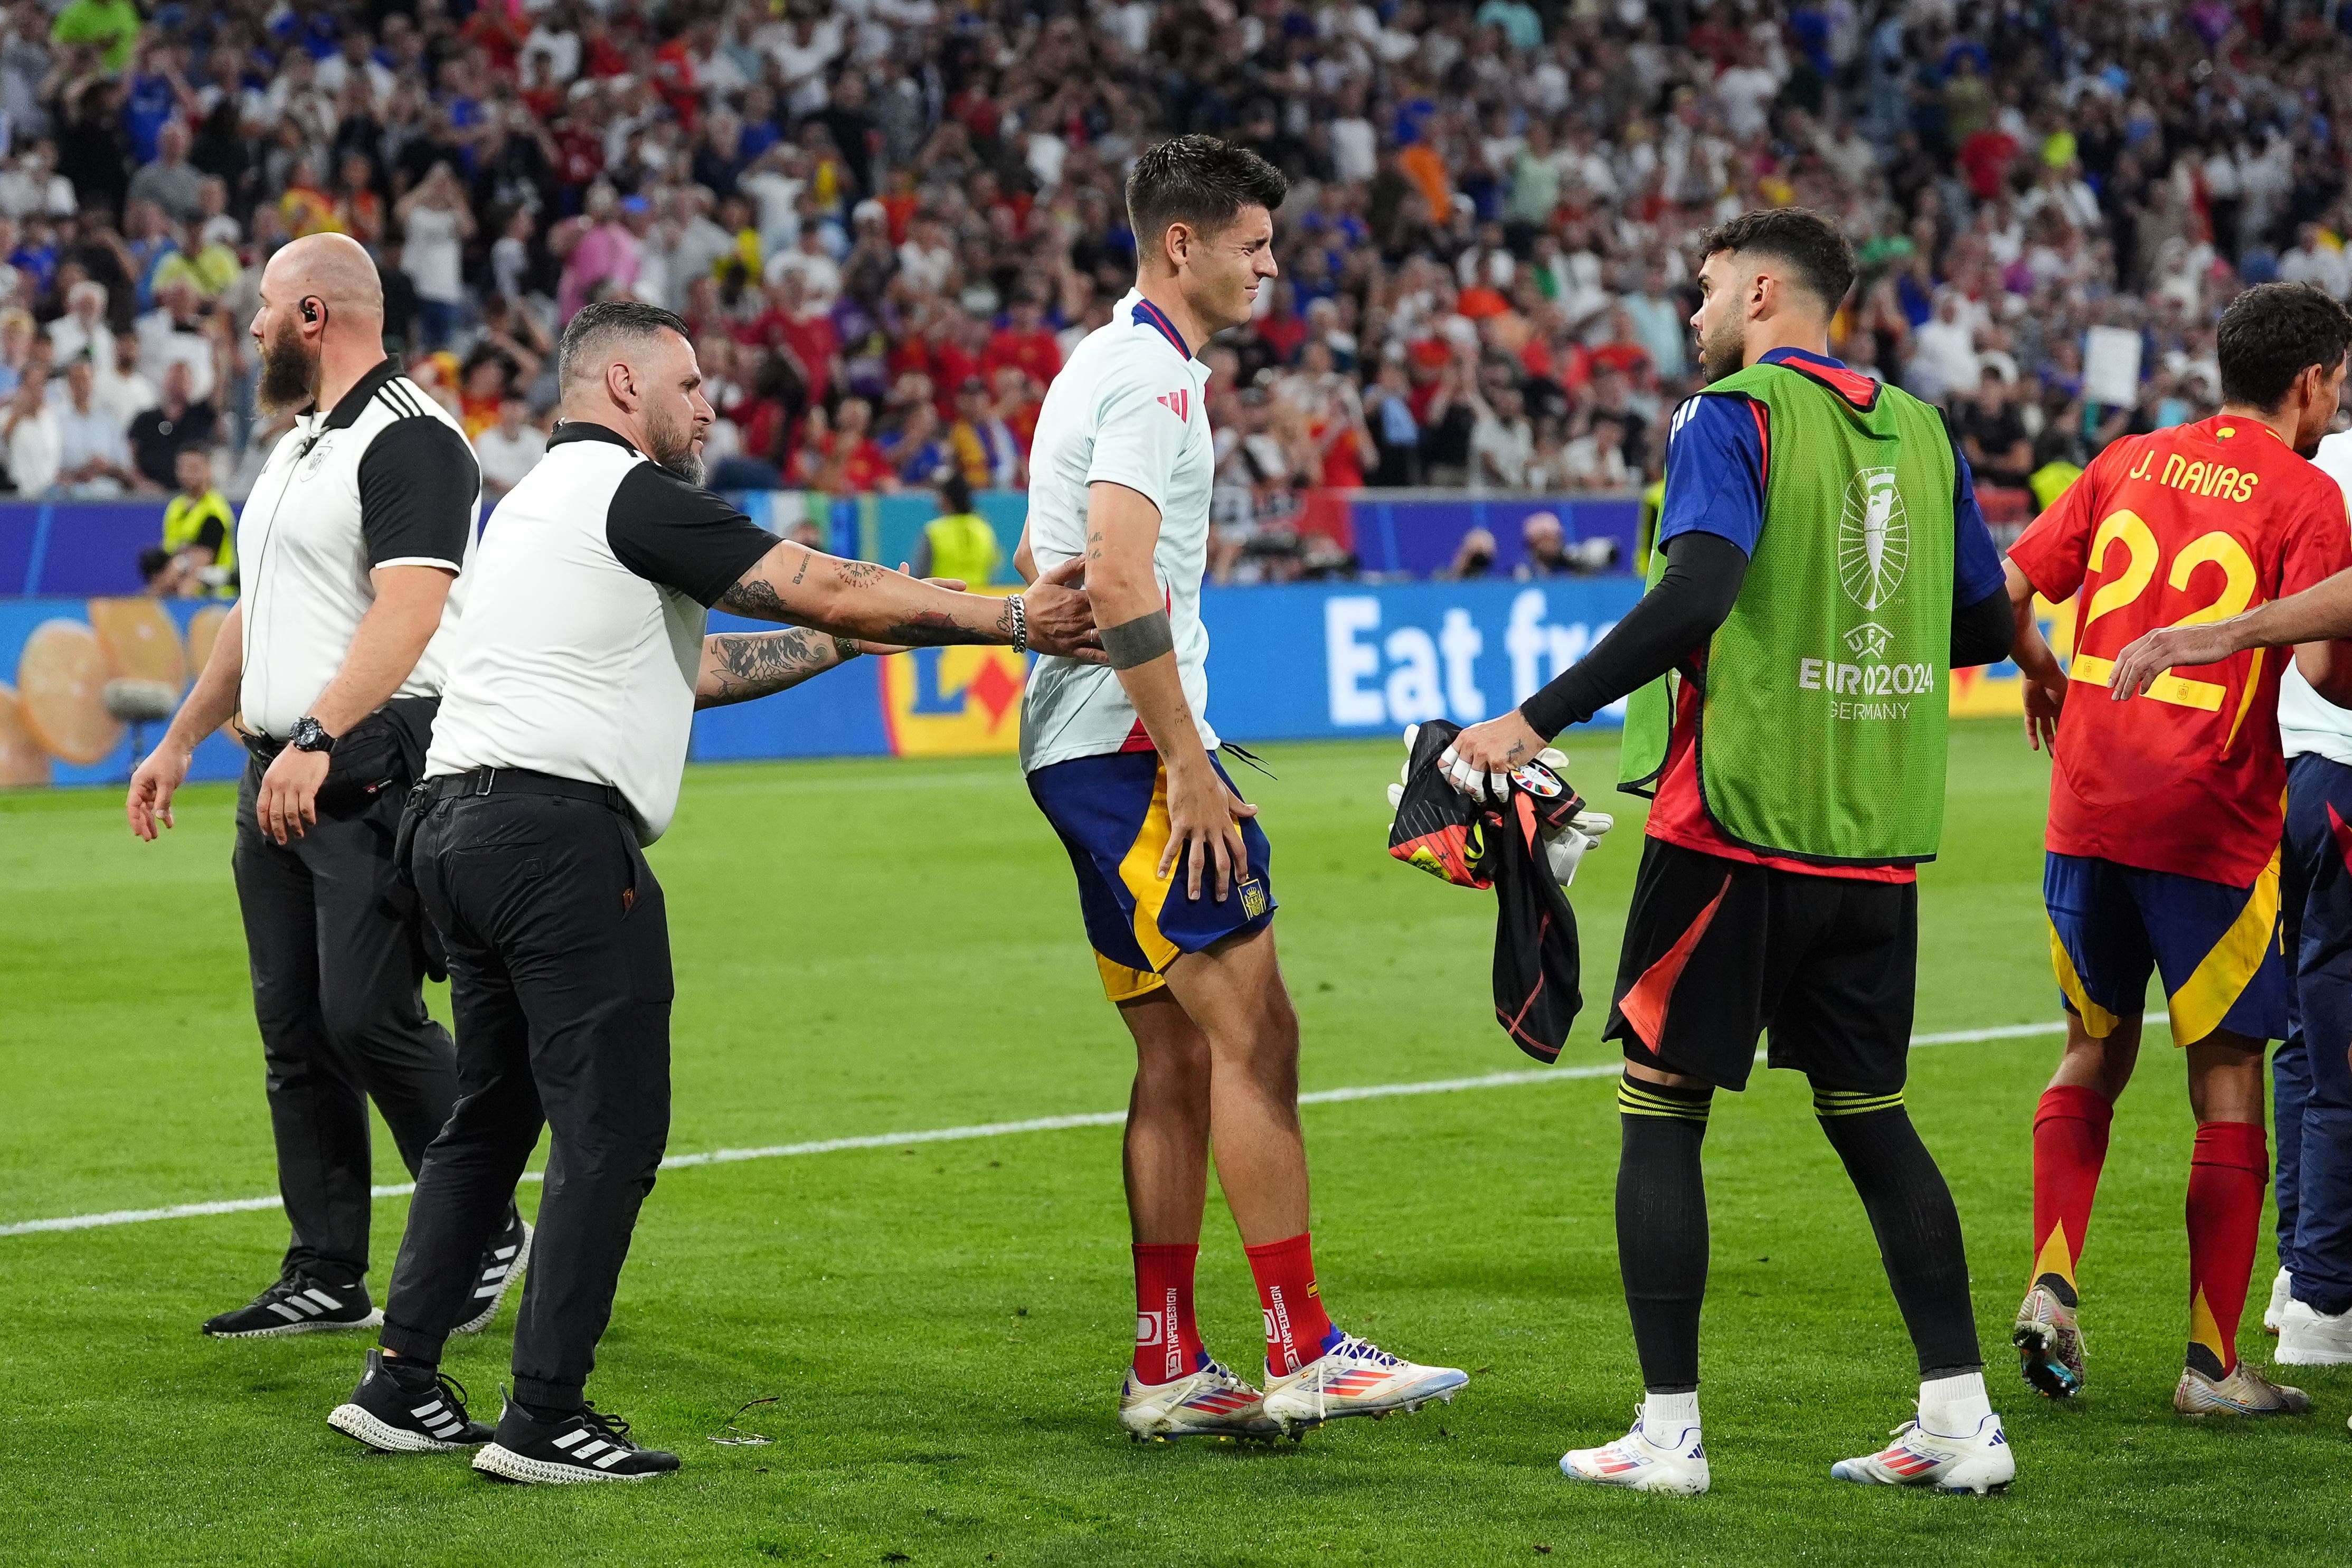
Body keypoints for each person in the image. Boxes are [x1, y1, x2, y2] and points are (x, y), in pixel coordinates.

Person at [320, 299, 1105, 1484]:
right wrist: (1008, 619)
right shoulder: (632, 495)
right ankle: (543, 1415)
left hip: (457, 833)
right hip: (551, 846)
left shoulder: (532, 508)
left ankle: (401, 1381)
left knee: (489, 1121)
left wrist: (856, 640)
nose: (710, 406)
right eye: (690, 385)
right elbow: (809, 584)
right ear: (623, 386)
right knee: (612, 1129)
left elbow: (702, 667)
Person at [1444, 208, 2019, 1494]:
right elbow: (1978, 624)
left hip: (1734, 823)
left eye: (1701, 291)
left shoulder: (1731, 416)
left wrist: (1532, 716)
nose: (1690, 315)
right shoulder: (1923, 432)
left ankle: (1666, 1436)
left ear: (1761, 291)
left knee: (1660, 1114)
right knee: (1872, 1117)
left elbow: (1697, 589)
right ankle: (1961, 1422)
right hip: (1869, 833)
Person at [1016, 135, 1468, 1444]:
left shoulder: (1112, 367)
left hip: (1078, 746)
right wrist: (1189, 763)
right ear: (1183, 244)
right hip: (1126, 748)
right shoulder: (1150, 381)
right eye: (1255, 243)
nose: (1272, 264)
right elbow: (1114, 579)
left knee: (1175, 1051)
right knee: (1257, 1036)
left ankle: (1167, 1361)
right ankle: (1305, 1345)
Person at [124, 233, 529, 1343]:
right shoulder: (299, 445)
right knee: (296, 1029)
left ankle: (485, 1219)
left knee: (368, 1015)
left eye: (263, 307)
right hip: (279, 771)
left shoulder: (415, 439)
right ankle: (325, 1270)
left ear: (315, 316)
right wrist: (181, 739)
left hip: (367, 767)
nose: (250, 327)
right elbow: (257, 618)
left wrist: (315, 732)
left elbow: (408, 610)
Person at [2060, 284, 2352, 1410]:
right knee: (2257, 1067)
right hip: (2251, 803)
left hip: (2132, 799)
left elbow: (2018, 584)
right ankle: (2256, 1337)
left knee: (2123, 1047)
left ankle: (2071, 1280)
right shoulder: (2302, 485)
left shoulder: (2138, 455)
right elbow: (2331, 657)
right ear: (2309, 380)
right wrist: (2231, 632)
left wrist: (2041, 668)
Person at [141, 444, 237, 597]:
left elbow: (202, 559)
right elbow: (170, 548)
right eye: (183, 468)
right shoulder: (176, 507)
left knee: (187, 583)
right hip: (175, 580)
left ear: (208, 470)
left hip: (213, 594)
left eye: (194, 468)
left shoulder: (214, 510)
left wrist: (174, 572)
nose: (188, 474)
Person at [910, 472, 1000, 583]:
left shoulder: (934, 531)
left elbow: (920, 575)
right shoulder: (984, 529)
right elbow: (993, 567)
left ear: (946, 499)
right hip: (978, 596)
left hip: (941, 597)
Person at [473, 393, 546, 512]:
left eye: (518, 407)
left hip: (529, 501)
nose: (513, 412)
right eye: (509, 406)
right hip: (492, 502)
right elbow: (489, 478)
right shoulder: (485, 439)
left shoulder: (537, 440)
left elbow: (542, 474)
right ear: (501, 408)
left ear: (526, 410)